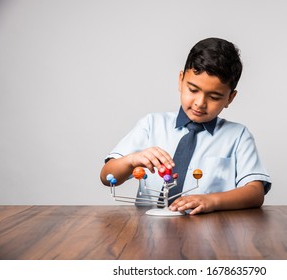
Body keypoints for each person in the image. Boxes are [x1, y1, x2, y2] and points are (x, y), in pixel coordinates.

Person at [100, 37, 271, 215]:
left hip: (211, 234)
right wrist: (132, 159)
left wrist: (211, 200)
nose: (200, 103)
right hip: (150, 233)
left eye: (214, 97)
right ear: (181, 80)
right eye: (193, 90)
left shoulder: (238, 136)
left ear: (230, 98)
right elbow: (106, 176)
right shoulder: (151, 125)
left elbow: (256, 193)